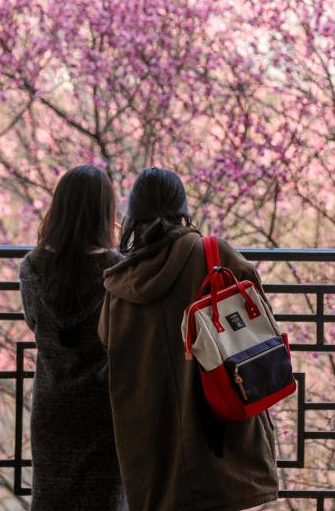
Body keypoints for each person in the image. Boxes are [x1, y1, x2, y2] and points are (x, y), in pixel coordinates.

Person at [99, 167, 279, 511]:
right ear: (182, 208)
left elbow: (107, 341)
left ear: (134, 215)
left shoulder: (119, 286)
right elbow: (261, 323)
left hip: (154, 458)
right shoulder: (215, 257)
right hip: (222, 446)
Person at [18, 164, 127, 510]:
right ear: (104, 212)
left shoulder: (32, 266)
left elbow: (34, 322)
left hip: (52, 404)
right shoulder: (118, 270)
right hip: (104, 406)